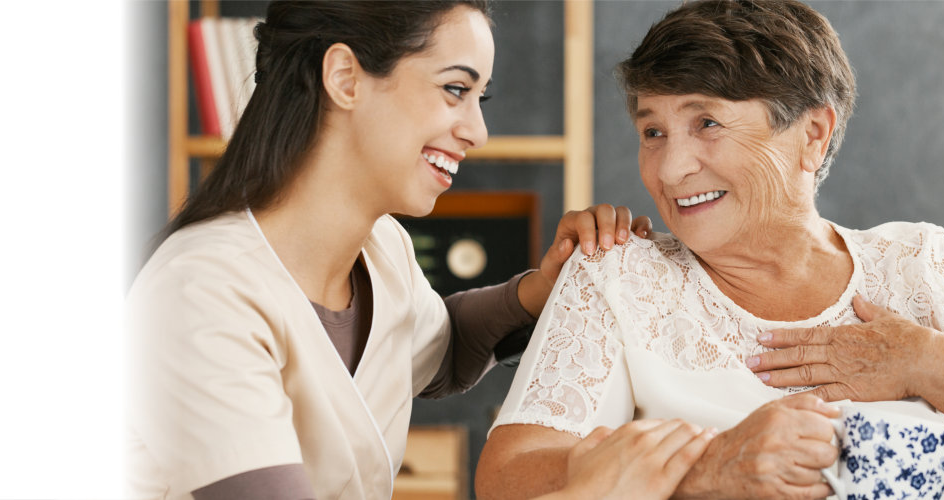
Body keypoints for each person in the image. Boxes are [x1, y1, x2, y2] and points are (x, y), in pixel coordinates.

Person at [476, 1, 944, 499]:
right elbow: (511, 479)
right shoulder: (618, 274)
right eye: (652, 131)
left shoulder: (925, 269)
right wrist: (711, 472)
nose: (669, 168)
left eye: (706, 123)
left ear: (812, 134)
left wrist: (928, 361)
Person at [125, 2, 709, 499]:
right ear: (345, 78)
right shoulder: (201, 291)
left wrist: (543, 288)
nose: (477, 131)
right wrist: (589, 489)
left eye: (480, 96)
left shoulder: (382, 249)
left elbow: (438, 349)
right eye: (455, 89)